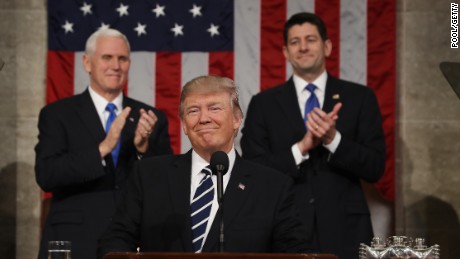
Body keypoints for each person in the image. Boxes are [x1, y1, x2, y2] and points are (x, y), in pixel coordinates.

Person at [98, 75, 311, 257]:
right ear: (184, 125)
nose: (203, 118)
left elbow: (294, 253)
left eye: (214, 108)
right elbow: (114, 242)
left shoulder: (273, 186)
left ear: (237, 119)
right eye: (193, 111)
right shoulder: (149, 176)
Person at [240, 12, 386, 259]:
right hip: (284, 228)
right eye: (295, 42)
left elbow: (375, 167)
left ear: (327, 46)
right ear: (285, 52)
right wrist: (301, 148)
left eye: (311, 39)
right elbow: (252, 169)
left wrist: (332, 140)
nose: (303, 47)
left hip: (346, 232)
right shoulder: (263, 104)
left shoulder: (360, 98)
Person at [35, 28, 173, 259]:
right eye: (107, 57)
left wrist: (143, 151)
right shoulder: (57, 114)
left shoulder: (150, 117)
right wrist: (102, 148)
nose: (116, 66)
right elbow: (47, 175)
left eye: (123, 59)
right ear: (87, 62)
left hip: (131, 239)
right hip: (75, 238)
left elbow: (167, 183)